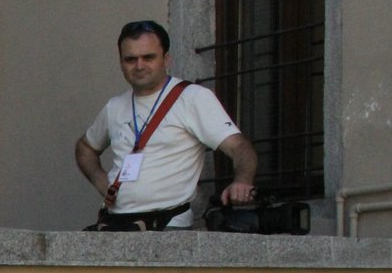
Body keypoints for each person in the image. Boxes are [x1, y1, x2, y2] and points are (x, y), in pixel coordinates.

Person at [75, 20, 258, 230]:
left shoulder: (193, 98)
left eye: (148, 57)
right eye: (130, 59)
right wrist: (101, 182)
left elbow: (239, 147)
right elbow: (85, 148)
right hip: (115, 222)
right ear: (121, 63)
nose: (139, 65)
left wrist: (243, 181)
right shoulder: (114, 107)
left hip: (168, 226)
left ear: (166, 59)